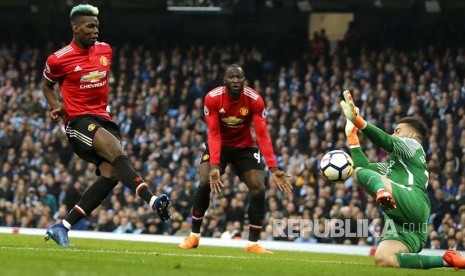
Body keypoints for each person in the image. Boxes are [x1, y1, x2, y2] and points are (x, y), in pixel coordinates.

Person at [41, 4, 171, 246]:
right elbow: (46, 85)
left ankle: (62, 226)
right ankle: (153, 201)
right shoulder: (58, 59)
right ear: (75, 27)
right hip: (78, 122)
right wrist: (55, 106)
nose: (95, 30)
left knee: (111, 175)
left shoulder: (105, 50)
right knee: (115, 152)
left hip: (104, 118)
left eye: (97, 26)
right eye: (90, 26)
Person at [340, 90, 465, 269]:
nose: (394, 134)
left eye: (397, 131)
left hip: (413, 200)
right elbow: (363, 170)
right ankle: (449, 260)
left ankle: (382, 192)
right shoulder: (392, 166)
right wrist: (352, 137)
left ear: (411, 135)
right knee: (384, 259)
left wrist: (360, 122)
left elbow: (387, 141)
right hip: (409, 227)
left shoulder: (413, 146)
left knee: (362, 174)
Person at [178, 64, 293, 254]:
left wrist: (273, 168)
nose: (235, 81)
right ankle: (194, 236)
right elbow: (213, 133)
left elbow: (262, 134)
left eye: (239, 77)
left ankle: (253, 243)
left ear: (244, 80)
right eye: (231, 77)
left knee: (259, 188)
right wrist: (215, 166)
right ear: (225, 81)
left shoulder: (255, 100)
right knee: (205, 181)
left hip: (244, 147)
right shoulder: (212, 98)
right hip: (219, 146)